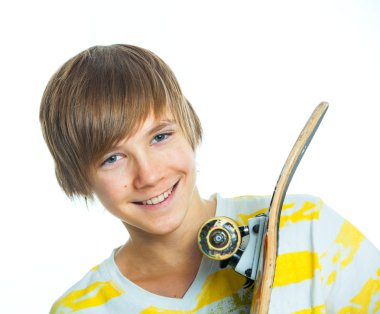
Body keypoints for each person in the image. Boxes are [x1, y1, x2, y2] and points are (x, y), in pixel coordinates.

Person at [40, 44, 380, 313]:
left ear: (189, 127)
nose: (149, 175)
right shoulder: (80, 309)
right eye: (112, 158)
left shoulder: (306, 229)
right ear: (79, 178)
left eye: (160, 137)